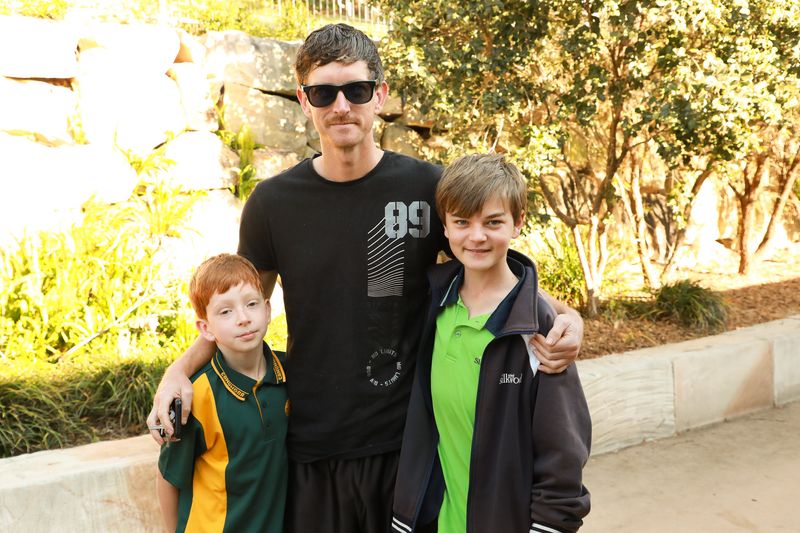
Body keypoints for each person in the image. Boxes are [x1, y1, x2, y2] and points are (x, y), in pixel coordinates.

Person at [148, 23, 585, 533]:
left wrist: (566, 315)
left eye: (356, 90)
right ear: (303, 99)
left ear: (379, 95)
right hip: (312, 446)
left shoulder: (427, 187)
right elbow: (238, 313)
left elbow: (490, 266)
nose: (341, 106)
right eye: (323, 92)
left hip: (408, 448)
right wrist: (179, 371)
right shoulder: (272, 204)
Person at [391, 154, 591, 533]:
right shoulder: (433, 303)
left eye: (493, 222)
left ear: (518, 222)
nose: (477, 236)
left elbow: (563, 456)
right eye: (462, 222)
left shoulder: (537, 326)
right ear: (445, 227)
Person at [155, 254, 288, 533]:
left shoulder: (290, 374)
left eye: (251, 304)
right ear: (206, 328)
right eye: (225, 311)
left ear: (267, 310)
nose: (243, 318)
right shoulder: (196, 395)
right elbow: (167, 478)